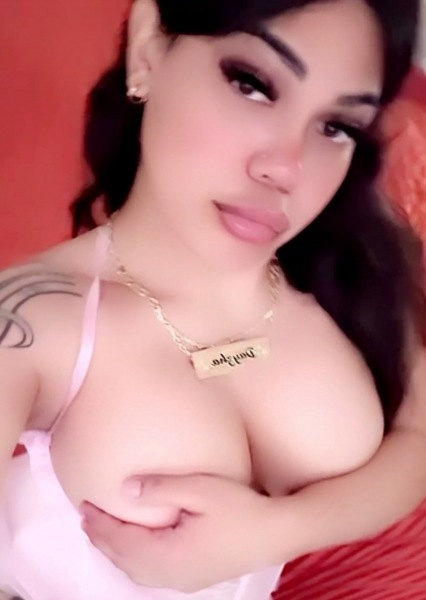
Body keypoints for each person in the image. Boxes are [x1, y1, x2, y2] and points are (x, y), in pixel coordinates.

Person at [0, 0, 425, 598]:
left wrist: (279, 529)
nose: (286, 168)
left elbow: (418, 436)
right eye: (252, 85)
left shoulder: (358, 258)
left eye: (336, 126)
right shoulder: (32, 321)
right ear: (148, 47)